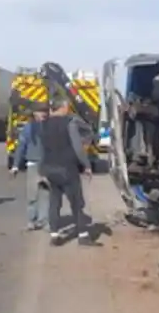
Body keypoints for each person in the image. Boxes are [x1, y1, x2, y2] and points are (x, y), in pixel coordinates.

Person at [39, 97, 95, 246]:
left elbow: (41, 149)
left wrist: (42, 170)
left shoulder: (43, 125)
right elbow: (77, 147)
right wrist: (86, 165)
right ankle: (83, 236)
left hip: (50, 169)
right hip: (67, 169)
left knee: (54, 202)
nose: (68, 109)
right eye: (67, 107)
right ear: (63, 108)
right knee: (77, 202)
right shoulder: (70, 123)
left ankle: (54, 235)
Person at [9, 105, 49, 230]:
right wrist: (15, 165)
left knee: (44, 195)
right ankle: (35, 220)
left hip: (44, 165)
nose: (42, 115)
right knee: (36, 195)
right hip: (36, 164)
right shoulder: (30, 128)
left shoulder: (46, 127)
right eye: (40, 112)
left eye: (43, 112)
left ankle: (41, 221)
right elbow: (21, 147)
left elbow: (21, 147)